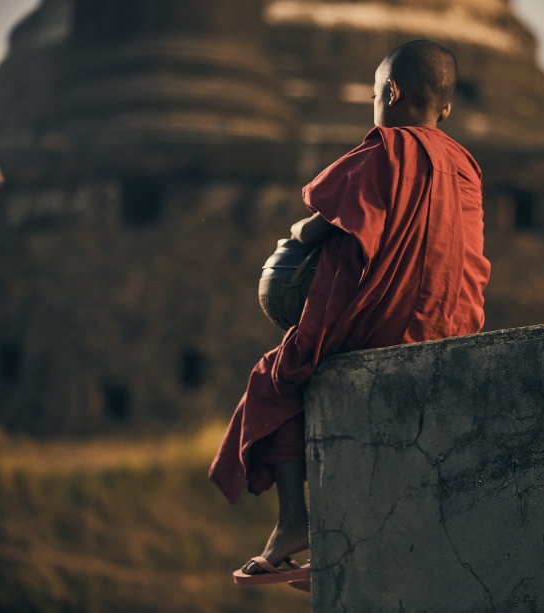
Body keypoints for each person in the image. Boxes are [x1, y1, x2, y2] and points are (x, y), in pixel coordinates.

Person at [208, 39, 491, 586]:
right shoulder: (467, 167)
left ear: (390, 91)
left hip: (388, 322)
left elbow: (326, 226)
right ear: (446, 110)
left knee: (276, 377)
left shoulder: (384, 149)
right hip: (455, 326)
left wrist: (297, 231)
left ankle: (293, 523)